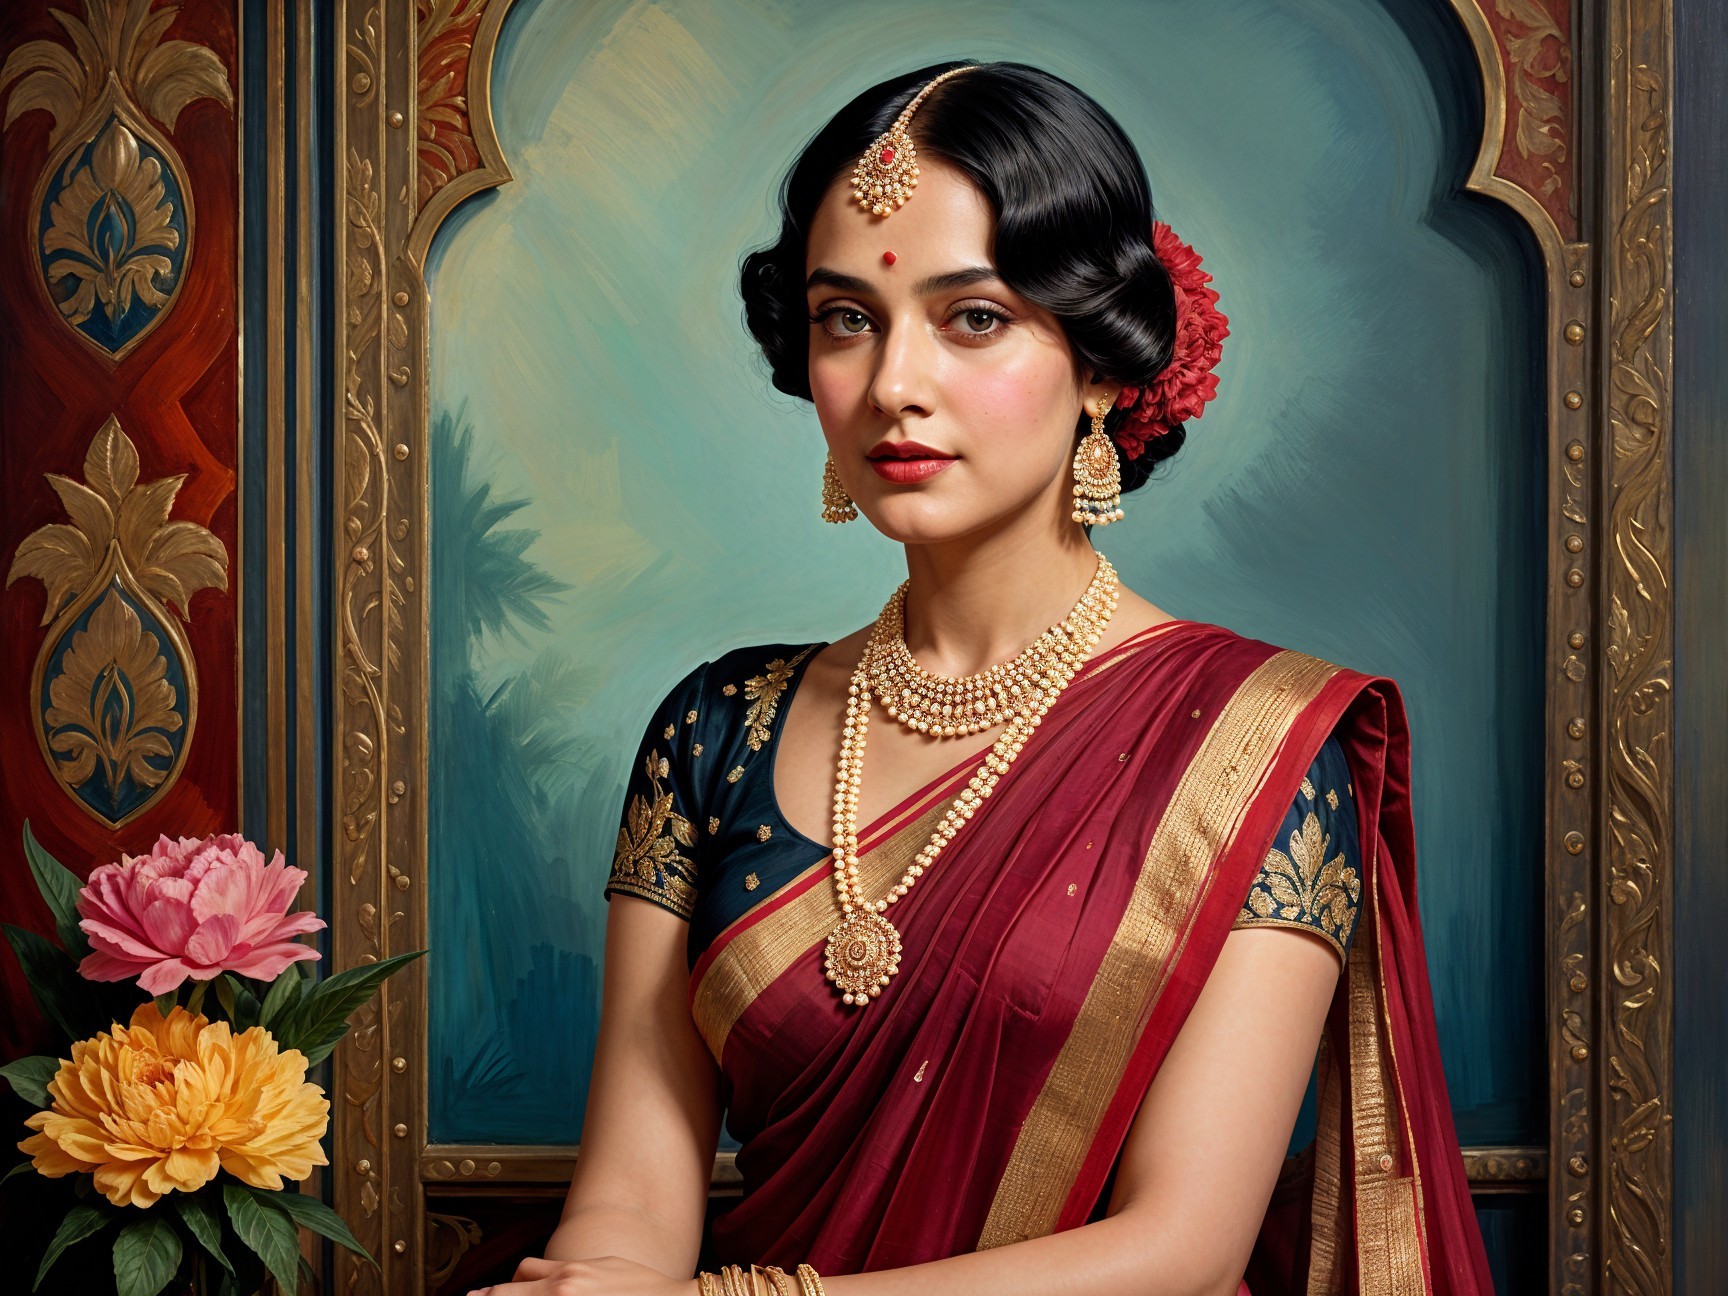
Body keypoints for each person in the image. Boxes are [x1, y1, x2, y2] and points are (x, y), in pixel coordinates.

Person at [476, 61, 1492, 1296]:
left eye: (974, 318)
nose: (895, 384)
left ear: (1106, 367)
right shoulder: (714, 731)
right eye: (848, 318)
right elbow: (631, 1200)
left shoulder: (1257, 747)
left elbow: (1180, 1249)